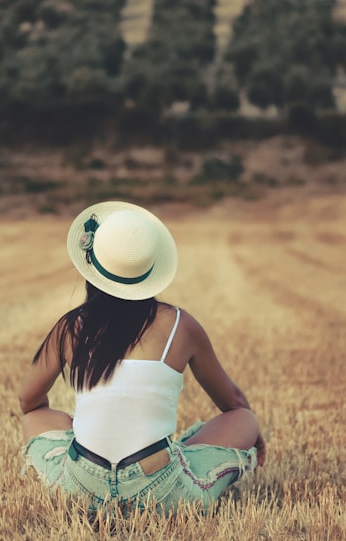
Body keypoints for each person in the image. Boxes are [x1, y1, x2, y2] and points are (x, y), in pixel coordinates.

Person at [19, 201, 266, 513]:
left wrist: (76, 427)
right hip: (158, 488)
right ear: (150, 271)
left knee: (37, 419)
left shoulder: (70, 327)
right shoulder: (180, 325)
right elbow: (232, 401)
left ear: (93, 266)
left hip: (83, 486)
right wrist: (254, 438)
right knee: (245, 419)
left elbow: (28, 402)